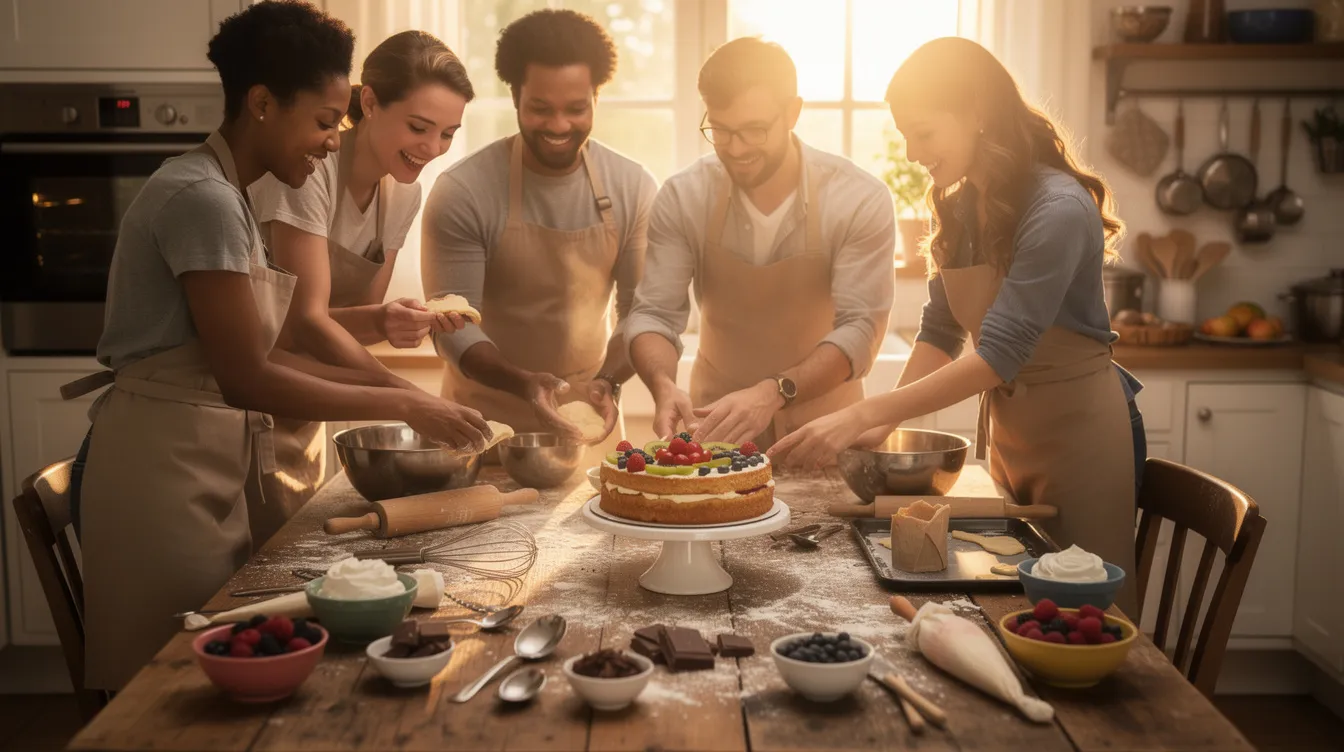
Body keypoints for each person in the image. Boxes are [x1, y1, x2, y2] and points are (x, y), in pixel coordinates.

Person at [64, 0, 488, 690]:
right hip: (157, 471)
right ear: (261, 104)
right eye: (323, 121)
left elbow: (270, 349)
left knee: (203, 674)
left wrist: (397, 378)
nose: (332, 142)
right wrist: (406, 403)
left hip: (197, 456)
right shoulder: (202, 199)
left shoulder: (224, 196)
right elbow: (249, 376)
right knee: (162, 684)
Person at [769, 37, 1144, 616]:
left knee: (1084, 614)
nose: (912, 153)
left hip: (1082, 437)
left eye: (923, 133)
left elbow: (999, 355)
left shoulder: (1059, 209)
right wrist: (884, 423)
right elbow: (941, 331)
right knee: (1015, 603)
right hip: (1013, 435)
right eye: (905, 136)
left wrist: (862, 413)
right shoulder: (963, 206)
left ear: (977, 113)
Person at [245, 31, 476, 543]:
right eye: (419, 127)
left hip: (309, 409)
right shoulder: (309, 171)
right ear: (369, 102)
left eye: (447, 134)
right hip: (247, 405)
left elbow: (348, 331)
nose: (432, 148)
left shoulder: (403, 194)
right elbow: (304, 323)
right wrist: (408, 397)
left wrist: (391, 321)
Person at [624, 37, 895, 450]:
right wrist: (662, 383)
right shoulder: (683, 196)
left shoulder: (858, 198)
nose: (736, 148)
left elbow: (861, 330)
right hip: (714, 434)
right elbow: (655, 314)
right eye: (721, 130)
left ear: (793, 112)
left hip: (825, 437)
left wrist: (773, 392)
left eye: (754, 130)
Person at [421, 8, 657, 449]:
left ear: (597, 97)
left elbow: (640, 312)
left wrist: (608, 381)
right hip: (479, 427)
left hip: (590, 425)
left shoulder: (633, 186)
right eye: (540, 109)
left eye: (576, 108)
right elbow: (453, 325)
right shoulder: (464, 190)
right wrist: (525, 383)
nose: (559, 125)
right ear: (515, 98)